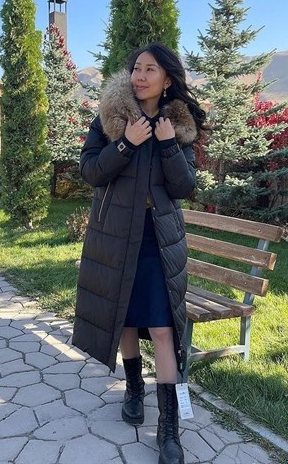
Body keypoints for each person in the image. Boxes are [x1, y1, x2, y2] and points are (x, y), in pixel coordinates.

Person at [72, 42, 207, 464]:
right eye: (136, 68)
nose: (140, 76)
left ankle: (169, 430)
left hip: (158, 242)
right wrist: (126, 144)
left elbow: (185, 187)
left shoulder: (177, 125)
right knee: (126, 321)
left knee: (163, 329)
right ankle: (133, 389)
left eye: (150, 69)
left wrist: (167, 145)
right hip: (116, 236)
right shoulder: (110, 119)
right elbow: (90, 172)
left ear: (167, 80)